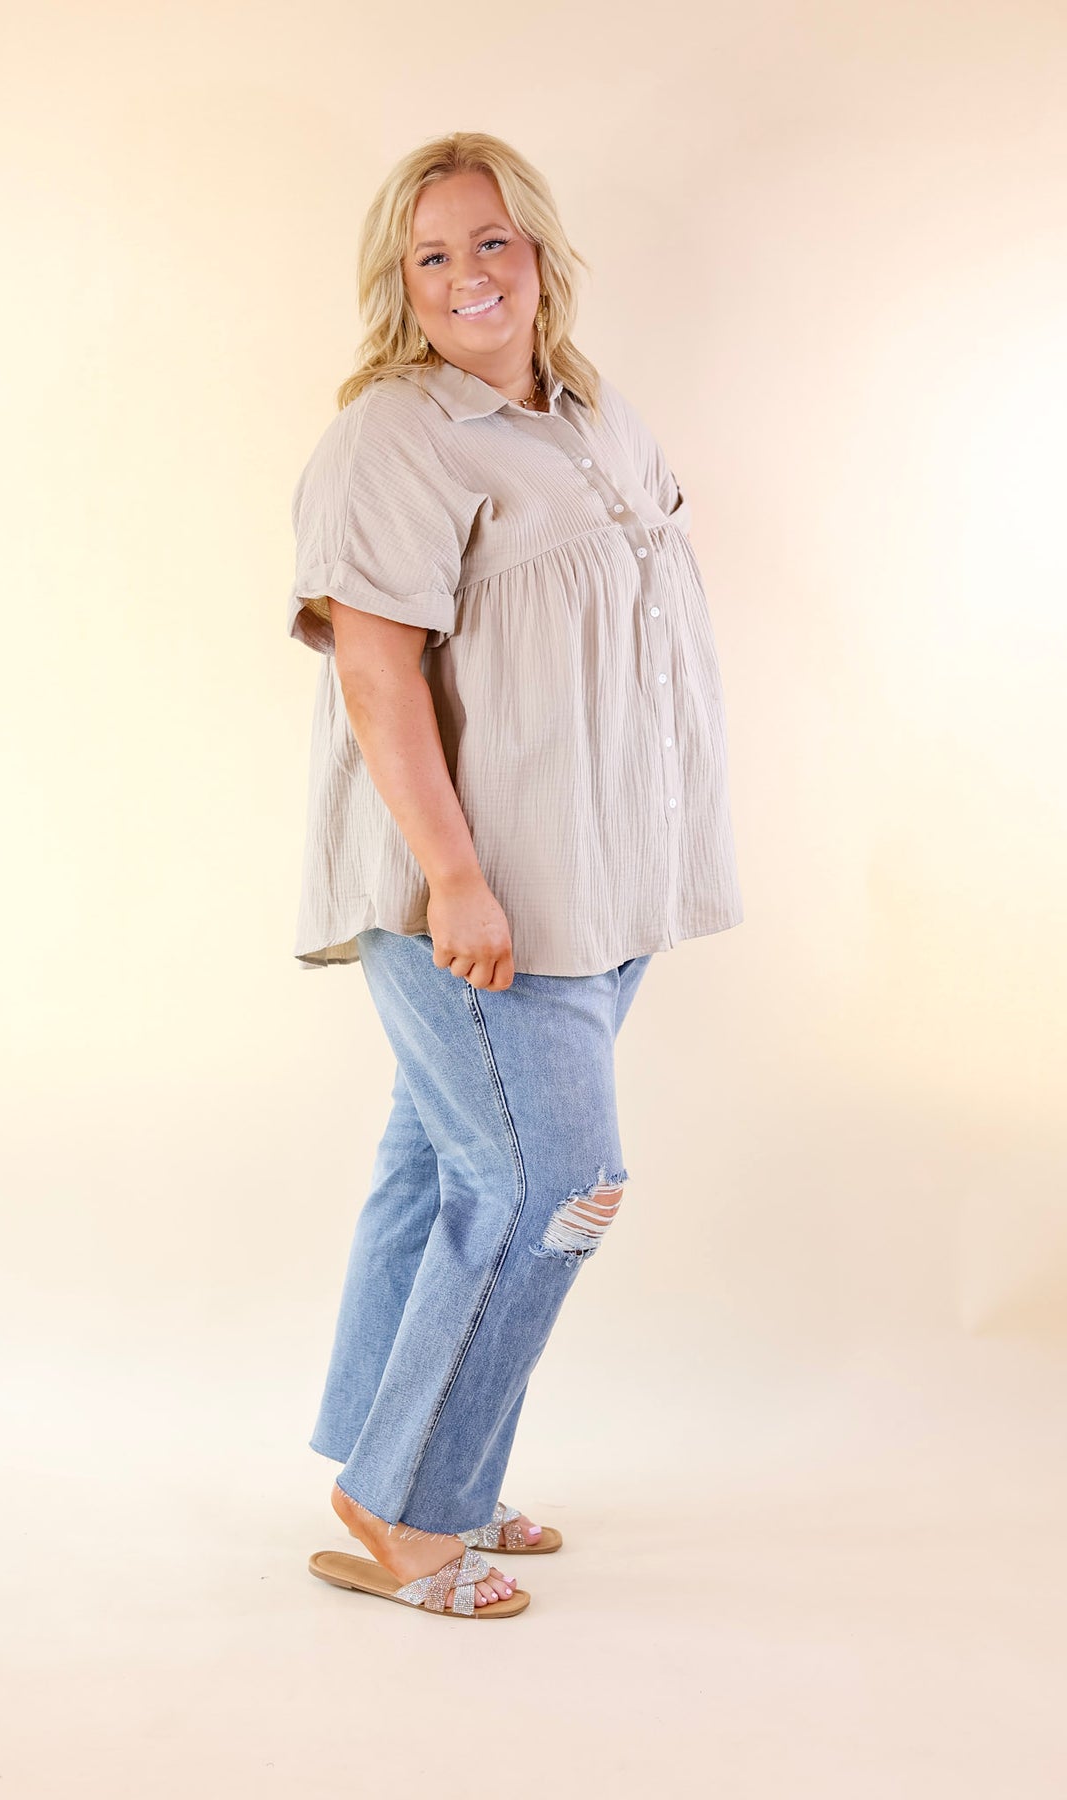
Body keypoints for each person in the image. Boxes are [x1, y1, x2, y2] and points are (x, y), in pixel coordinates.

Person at [286, 132, 743, 1620]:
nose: (467, 275)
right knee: (558, 1182)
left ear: (540, 252)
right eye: (432, 254)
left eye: (492, 240)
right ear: (399, 282)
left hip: (602, 878)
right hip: (482, 892)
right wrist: (455, 879)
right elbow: (375, 674)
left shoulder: (595, 418)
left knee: (441, 1171)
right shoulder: (393, 438)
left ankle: (420, 1457)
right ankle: (409, 1504)